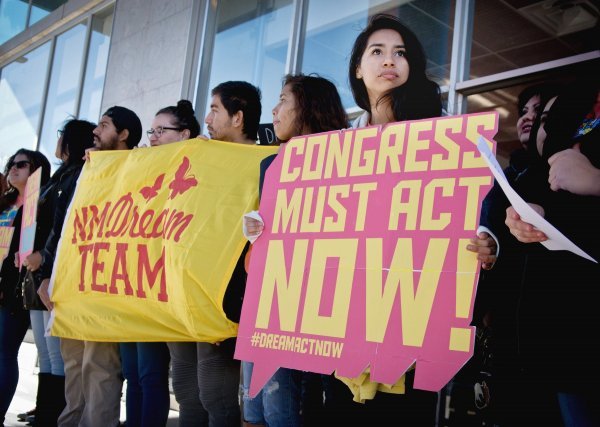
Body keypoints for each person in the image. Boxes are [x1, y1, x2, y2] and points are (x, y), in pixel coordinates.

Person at [242, 73, 348, 427]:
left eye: (283, 100)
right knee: (257, 410)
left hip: (316, 309)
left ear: (309, 107)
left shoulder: (348, 160)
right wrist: (256, 230)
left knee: (289, 410)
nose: (273, 110)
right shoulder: (269, 165)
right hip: (269, 300)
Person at [504, 78, 600, 427]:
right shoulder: (536, 177)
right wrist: (535, 219)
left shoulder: (582, 168)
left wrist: (595, 181)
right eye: (543, 119)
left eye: (550, 118)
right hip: (551, 350)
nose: (545, 127)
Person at [164, 83, 261, 427]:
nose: (207, 119)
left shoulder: (265, 164)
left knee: (215, 397)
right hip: (183, 296)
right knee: (187, 392)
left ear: (237, 118)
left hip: (221, 300)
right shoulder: (203, 158)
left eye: (216, 110)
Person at [43, 106, 142, 427]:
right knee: (74, 366)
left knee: (99, 367)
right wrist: (48, 273)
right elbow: (63, 228)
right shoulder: (81, 170)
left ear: (123, 134)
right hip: (72, 284)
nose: (96, 131)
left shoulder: (141, 169)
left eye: (104, 125)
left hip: (106, 285)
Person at [118, 100, 200, 427]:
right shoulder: (143, 165)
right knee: (133, 374)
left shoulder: (195, 169)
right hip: (132, 282)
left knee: (152, 374)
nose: (153, 136)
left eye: (161, 130)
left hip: (161, 286)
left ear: (184, 134)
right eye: (151, 130)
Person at [18, 119, 96, 426]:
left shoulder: (76, 173)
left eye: (62, 134)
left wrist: (44, 257)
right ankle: (45, 410)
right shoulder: (58, 176)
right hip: (40, 269)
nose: (58, 139)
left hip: (54, 269)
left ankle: (53, 413)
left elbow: (61, 225)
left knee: (58, 353)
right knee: (46, 352)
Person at [0, 149, 51, 425]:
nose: (14, 168)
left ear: (36, 171)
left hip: (16, 289)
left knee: (5, 350)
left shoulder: (38, 207)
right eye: (12, 163)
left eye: (22, 164)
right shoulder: (4, 204)